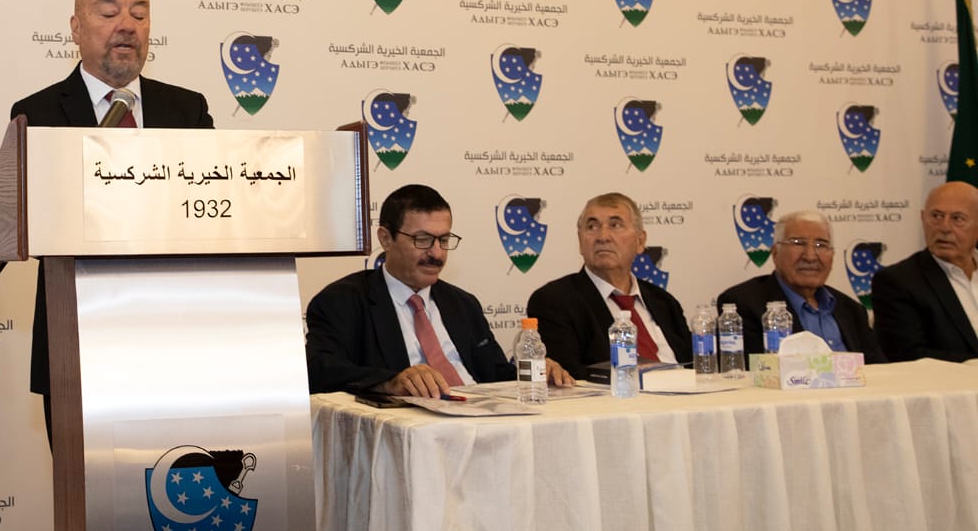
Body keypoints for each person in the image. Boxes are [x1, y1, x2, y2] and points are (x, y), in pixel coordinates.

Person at [10, 0, 213, 436]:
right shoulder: (37, 112)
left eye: (139, 14)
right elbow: (37, 220)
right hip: (77, 335)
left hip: (176, 338)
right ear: (76, 28)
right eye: (108, 13)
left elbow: (212, 209)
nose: (127, 25)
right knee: (81, 477)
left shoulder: (187, 110)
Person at [306, 183, 574, 395]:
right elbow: (320, 371)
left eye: (444, 239)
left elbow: (493, 373)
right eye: (423, 240)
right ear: (386, 239)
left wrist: (531, 374)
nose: (437, 253)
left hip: (480, 422)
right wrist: (391, 382)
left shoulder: (463, 304)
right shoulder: (342, 301)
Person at [527, 191, 690, 376]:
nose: (603, 237)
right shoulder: (554, 301)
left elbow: (695, 368)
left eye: (615, 225)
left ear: (640, 241)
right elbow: (569, 378)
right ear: (580, 242)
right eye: (592, 227)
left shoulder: (665, 302)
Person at [715, 209, 883, 361]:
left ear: (832, 255)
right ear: (775, 254)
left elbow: (879, 370)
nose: (810, 256)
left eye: (821, 245)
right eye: (798, 243)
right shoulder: (745, 304)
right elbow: (753, 373)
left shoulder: (852, 310)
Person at [871, 181, 978, 362]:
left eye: (958, 218)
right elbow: (908, 356)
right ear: (922, 218)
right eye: (936, 216)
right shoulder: (897, 282)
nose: (945, 227)